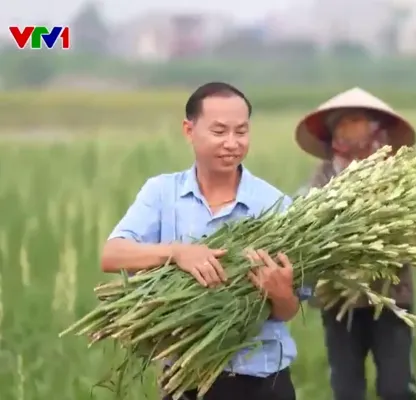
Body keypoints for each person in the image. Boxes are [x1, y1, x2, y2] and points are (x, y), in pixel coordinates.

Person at [100, 82, 308, 400]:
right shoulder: (162, 193)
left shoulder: (276, 206)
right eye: (219, 131)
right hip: (184, 379)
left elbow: (290, 309)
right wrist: (177, 253)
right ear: (189, 130)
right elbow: (112, 255)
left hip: (261, 380)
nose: (232, 143)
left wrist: (280, 295)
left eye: (241, 131)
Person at [294, 87, 416, 400]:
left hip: (389, 297)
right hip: (338, 301)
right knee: (347, 388)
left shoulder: (396, 175)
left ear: (374, 128)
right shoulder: (323, 177)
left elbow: (412, 232)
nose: (353, 130)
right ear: (335, 132)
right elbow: (308, 232)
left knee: (395, 388)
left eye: (359, 121)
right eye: (345, 123)